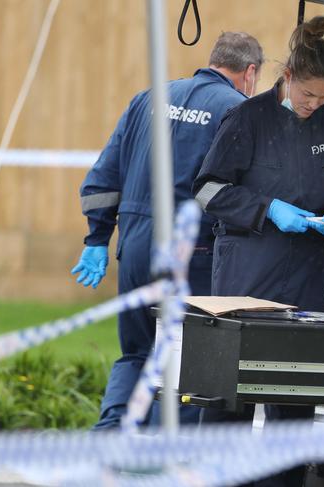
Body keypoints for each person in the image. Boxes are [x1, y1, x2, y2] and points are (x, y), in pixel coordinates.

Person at [192, 16, 324, 486]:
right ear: (287, 76)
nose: (314, 104)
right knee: (232, 400)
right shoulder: (246, 118)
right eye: (308, 94)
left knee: (294, 400)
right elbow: (207, 189)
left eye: (323, 97)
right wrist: (267, 209)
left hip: (305, 278)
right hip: (246, 277)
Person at [71, 32, 264, 430]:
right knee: (183, 361)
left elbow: (101, 181)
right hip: (191, 255)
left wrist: (96, 239)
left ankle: (109, 440)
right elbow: (242, 194)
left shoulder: (148, 98)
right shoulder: (238, 110)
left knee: (137, 353)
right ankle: (160, 460)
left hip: (136, 248)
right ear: (250, 72)